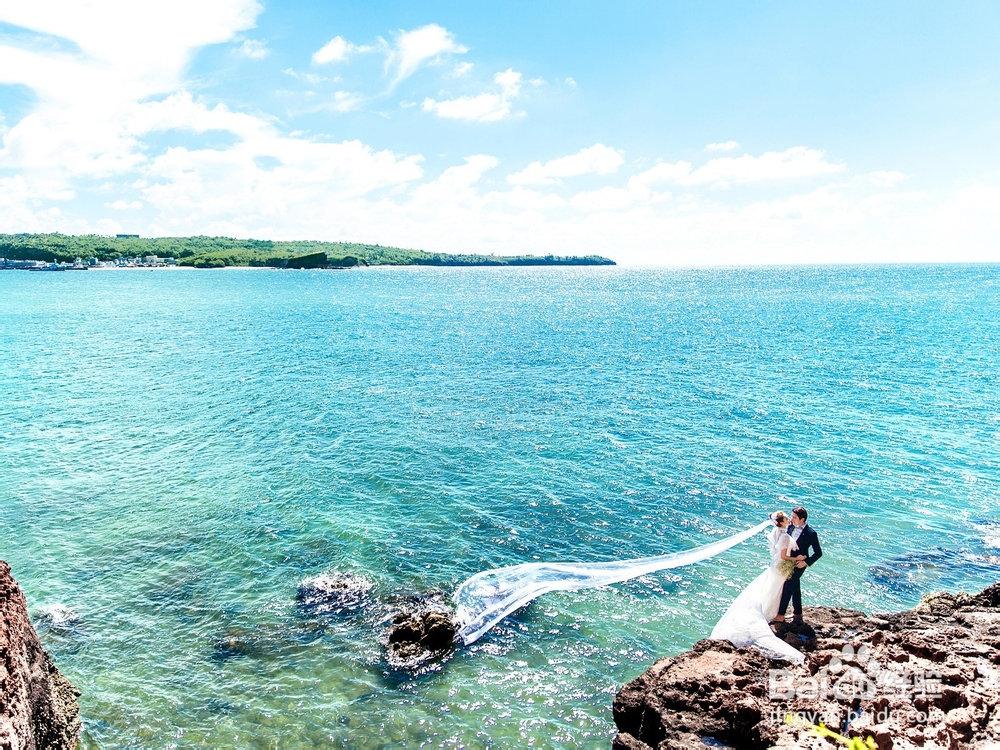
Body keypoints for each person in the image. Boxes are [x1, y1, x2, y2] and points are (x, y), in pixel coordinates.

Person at [709, 511, 806, 663]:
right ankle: (773, 615)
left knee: (772, 590)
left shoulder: (775, 533)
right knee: (777, 591)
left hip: (775, 566)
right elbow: (783, 556)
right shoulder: (785, 536)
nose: (789, 520)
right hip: (781, 566)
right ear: (781, 522)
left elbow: (776, 553)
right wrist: (797, 558)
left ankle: (771, 614)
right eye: (787, 518)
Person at [773, 506, 822, 623]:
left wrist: (806, 562)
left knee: (788, 585)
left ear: (802, 519)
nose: (792, 519)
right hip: (788, 561)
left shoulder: (811, 533)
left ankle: (780, 615)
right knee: (795, 586)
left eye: (794, 517)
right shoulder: (790, 527)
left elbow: (818, 553)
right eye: (792, 516)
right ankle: (798, 613)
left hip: (800, 564)